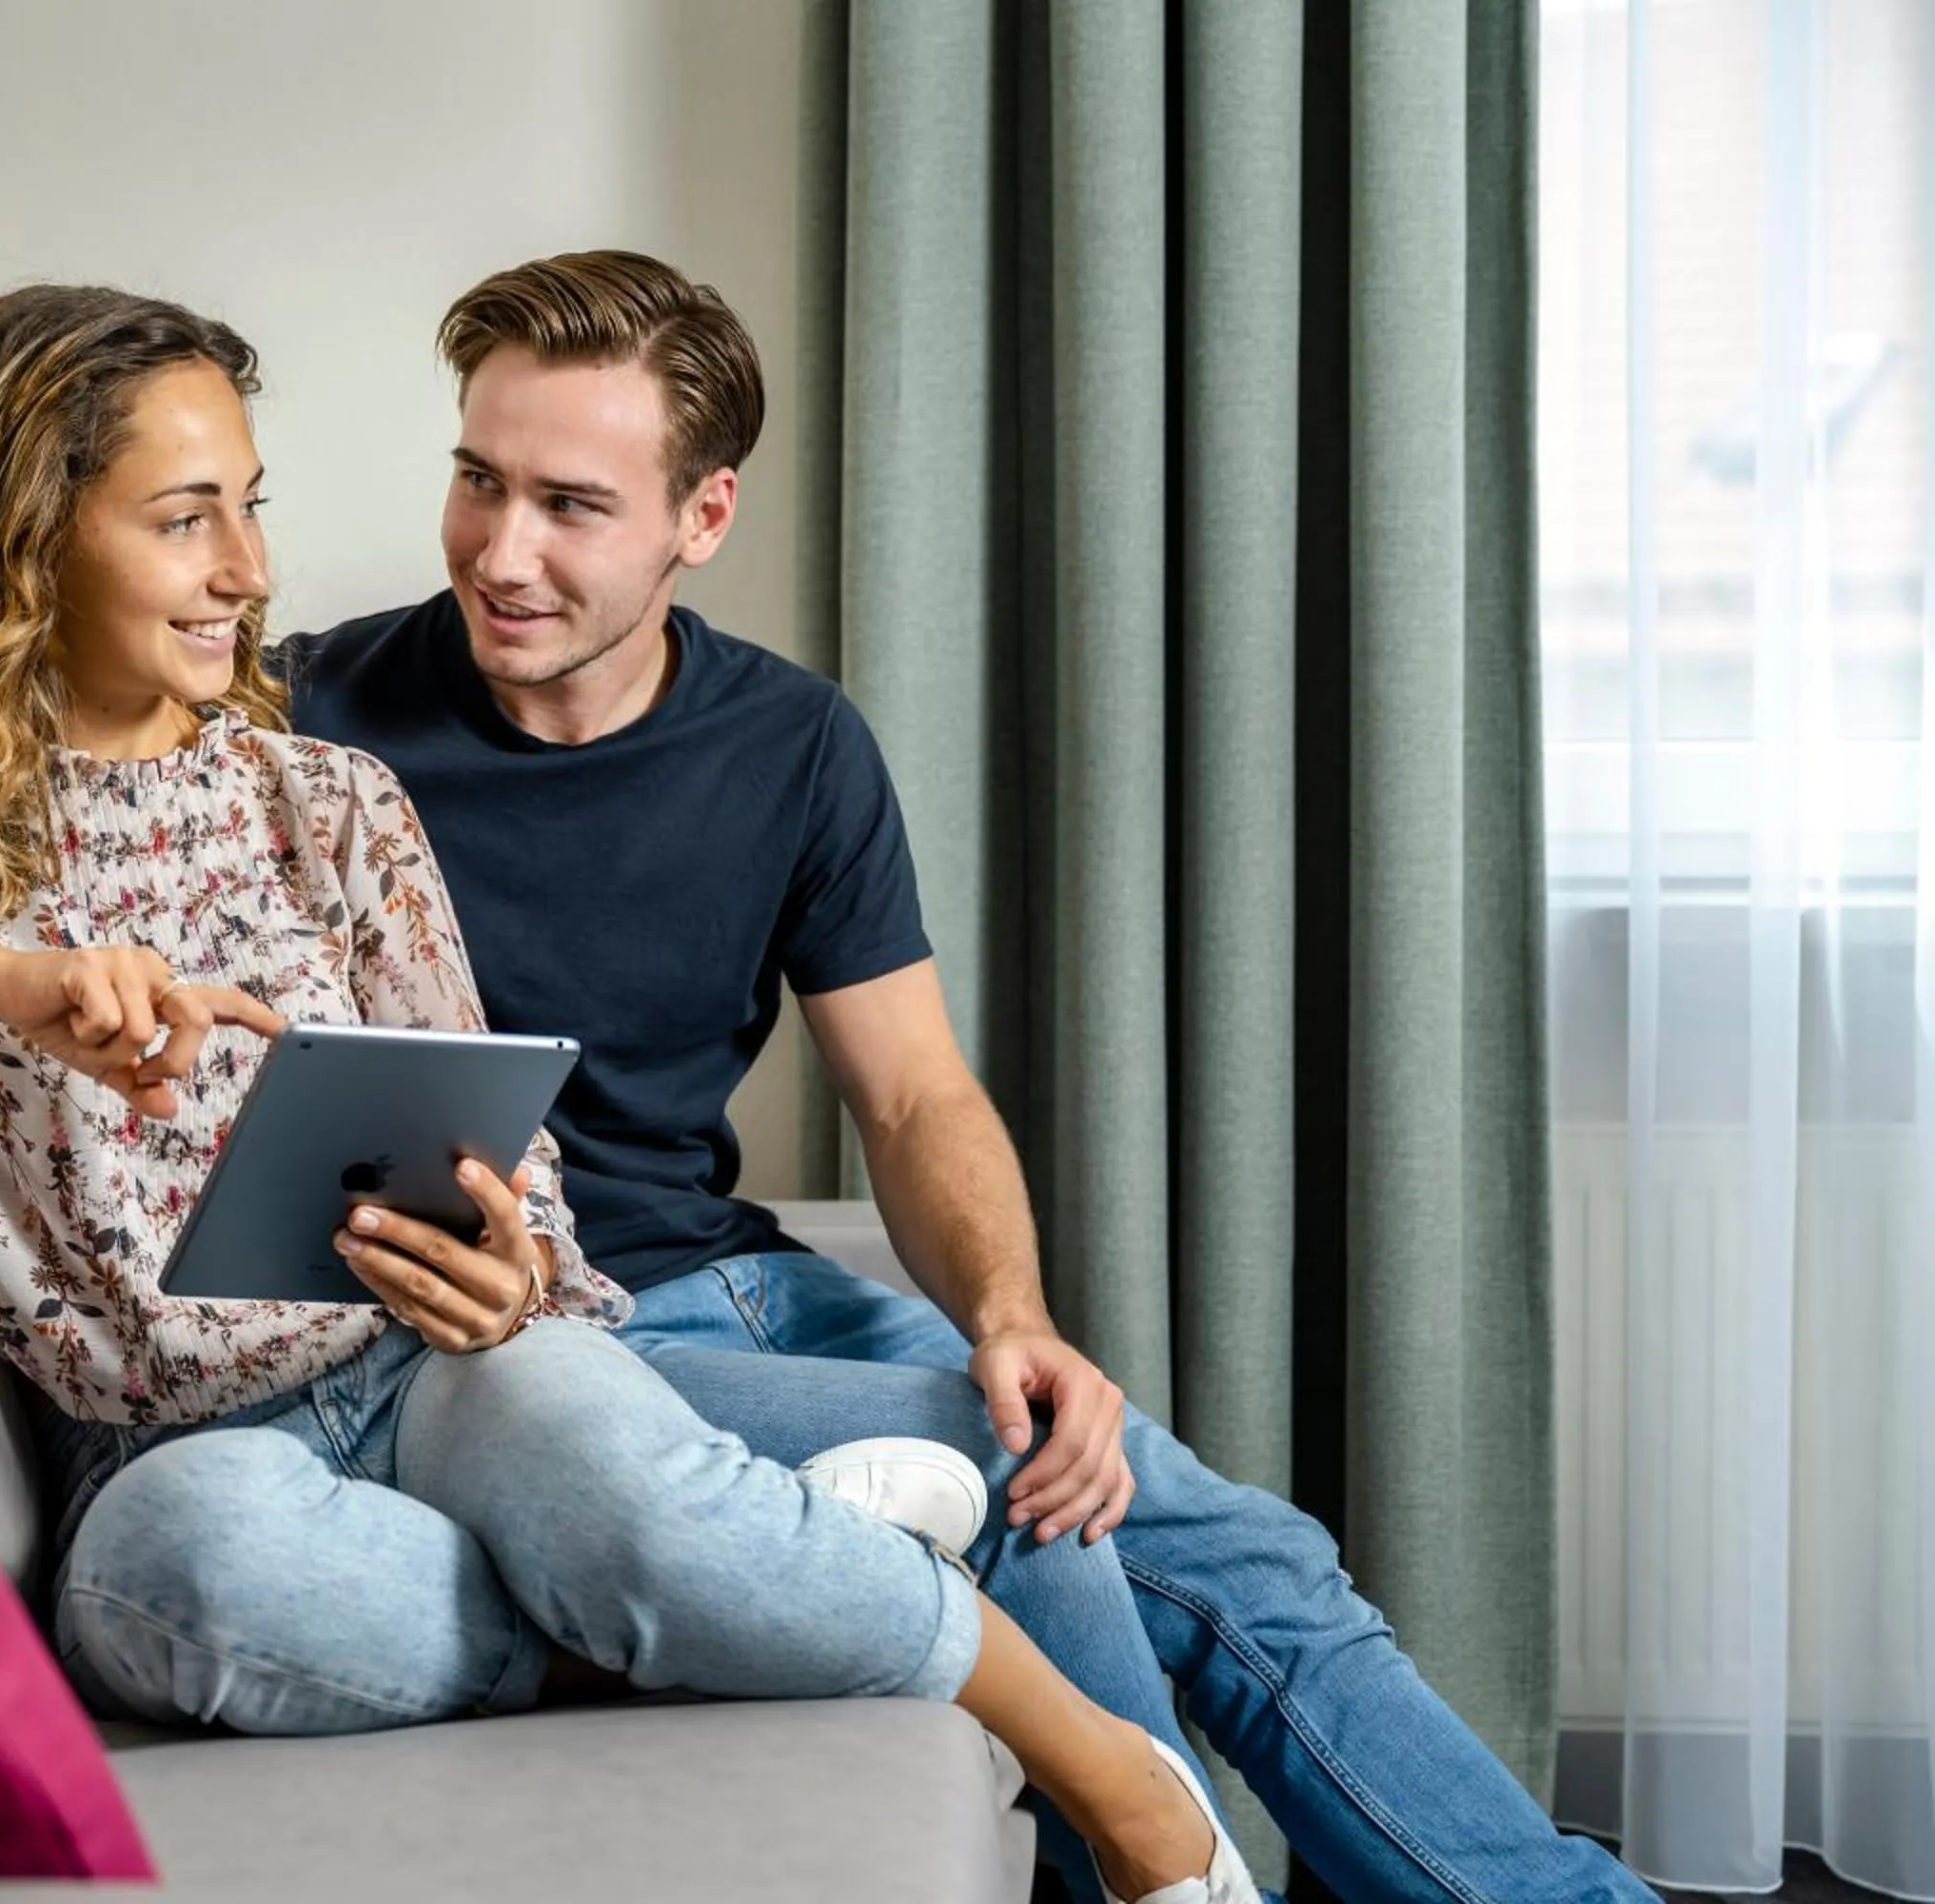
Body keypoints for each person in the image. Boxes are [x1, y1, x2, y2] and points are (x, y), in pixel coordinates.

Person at [0, 282, 1259, 1904]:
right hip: (173, 1454)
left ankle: (1121, 1787)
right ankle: (731, 1580)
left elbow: (517, 1165)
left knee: (589, 1429)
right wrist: (1, 977)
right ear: (28, 536)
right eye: (186, 518)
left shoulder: (329, 801)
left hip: (428, 1372)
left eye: (249, 506)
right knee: (181, 1586)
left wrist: (515, 1270)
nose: (248, 570)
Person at [264, 249, 1657, 1904]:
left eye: (572, 505)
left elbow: (915, 1096)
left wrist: (1008, 1313)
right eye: (478, 484)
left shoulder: (792, 743)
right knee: (1034, 1500)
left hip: (758, 1287)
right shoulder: (307, 723)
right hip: (550, 1339)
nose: (503, 554)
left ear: (702, 518)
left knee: (1242, 1555)